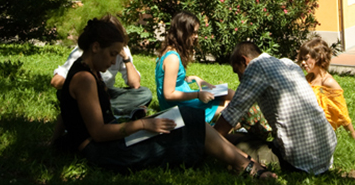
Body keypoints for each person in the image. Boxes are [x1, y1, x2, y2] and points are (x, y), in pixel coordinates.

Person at [60, 18, 276, 178]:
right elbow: (98, 133)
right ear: (95, 47)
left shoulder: (88, 72)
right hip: (107, 152)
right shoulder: (85, 79)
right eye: (112, 54)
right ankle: (246, 166)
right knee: (190, 121)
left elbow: (67, 111)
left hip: (112, 144)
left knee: (190, 117)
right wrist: (144, 123)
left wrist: (55, 142)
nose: (115, 60)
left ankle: (243, 160)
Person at [214, 41, 337, 176]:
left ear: (245, 61)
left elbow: (232, 114)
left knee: (231, 144)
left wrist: (209, 140)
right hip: (326, 153)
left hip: (299, 161)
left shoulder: (256, 67)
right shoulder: (288, 64)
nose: (239, 79)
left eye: (238, 71)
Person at [51, 14, 152, 118]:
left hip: (107, 92)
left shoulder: (122, 50)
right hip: (87, 92)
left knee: (145, 93)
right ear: (97, 46)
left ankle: (104, 108)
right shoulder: (84, 58)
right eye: (112, 54)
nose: (113, 61)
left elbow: (135, 84)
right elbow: (99, 131)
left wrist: (126, 59)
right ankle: (104, 109)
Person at [155, 11, 234, 123]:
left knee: (229, 93)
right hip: (180, 107)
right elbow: (168, 94)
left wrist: (194, 78)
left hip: (186, 97)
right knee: (232, 107)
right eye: (193, 33)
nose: (196, 36)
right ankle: (211, 133)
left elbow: (173, 79)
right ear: (183, 32)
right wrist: (197, 94)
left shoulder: (170, 52)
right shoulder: (172, 58)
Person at [298, 37, 355, 140]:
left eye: (306, 58)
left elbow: (342, 113)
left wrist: (354, 138)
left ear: (318, 58)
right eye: (302, 59)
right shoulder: (308, 78)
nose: (303, 62)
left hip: (320, 134)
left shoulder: (328, 83)